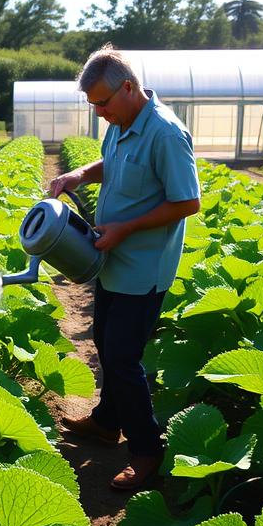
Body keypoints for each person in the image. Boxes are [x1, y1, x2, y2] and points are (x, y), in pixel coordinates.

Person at [49, 45, 200, 490]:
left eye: (103, 103)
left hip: (144, 268)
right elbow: (111, 164)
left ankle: (147, 450)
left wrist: (125, 229)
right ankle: (105, 422)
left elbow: (188, 201)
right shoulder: (120, 123)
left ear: (129, 87)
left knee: (122, 358)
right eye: (93, 105)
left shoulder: (166, 134)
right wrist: (78, 174)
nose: (99, 113)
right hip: (113, 260)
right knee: (103, 342)